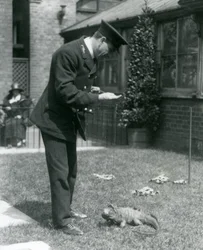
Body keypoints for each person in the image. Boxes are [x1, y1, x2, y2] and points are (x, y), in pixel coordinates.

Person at [30, 20, 128, 235]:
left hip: (68, 120)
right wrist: (99, 97)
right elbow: (65, 91)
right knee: (60, 172)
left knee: (71, 171)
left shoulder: (90, 56)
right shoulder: (66, 52)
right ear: (101, 39)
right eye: (109, 49)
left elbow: (78, 85)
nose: (107, 54)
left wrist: (93, 90)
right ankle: (61, 222)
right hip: (53, 119)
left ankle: (66, 209)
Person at [3, 83, 33, 148]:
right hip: (12, 116)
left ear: (19, 91)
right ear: (12, 91)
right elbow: (5, 105)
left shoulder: (23, 98)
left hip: (21, 116)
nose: (15, 92)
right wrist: (7, 108)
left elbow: (24, 108)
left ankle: (20, 141)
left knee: (18, 122)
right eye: (14, 91)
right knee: (9, 122)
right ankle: (9, 142)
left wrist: (20, 115)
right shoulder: (9, 98)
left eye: (16, 90)